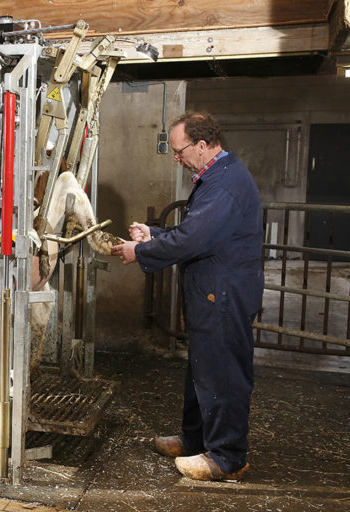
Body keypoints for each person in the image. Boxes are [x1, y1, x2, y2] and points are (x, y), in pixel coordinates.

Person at [111, 112, 264, 482]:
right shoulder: (214, 176)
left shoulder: (224, 184)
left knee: (223, 373)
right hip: (212, 290)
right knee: (202, 368)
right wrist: (154, 233)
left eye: (179, 151)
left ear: (202, 145)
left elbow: (195, 240)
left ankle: (228, 457)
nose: (175, 158)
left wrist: (141, 252)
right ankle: (196, 440)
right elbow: (199, 231)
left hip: (224, 293)